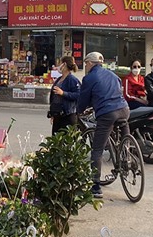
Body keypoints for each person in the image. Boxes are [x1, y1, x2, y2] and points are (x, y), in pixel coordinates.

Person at [77, 51, 129, 199]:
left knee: (97, 149)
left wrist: (80, 111)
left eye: (86, 63)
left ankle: (96, 187)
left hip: (107, 113)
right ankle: (127, 156)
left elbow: (84, 98)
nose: (85, 66)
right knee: (125, 131)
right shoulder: (113, 75)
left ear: (89, 63)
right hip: (124, 109)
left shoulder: (89, 78)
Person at [48, 55, 82, 134]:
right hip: (58, 115)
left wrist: (63, 93)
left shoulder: (72, 80)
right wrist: (53, 113)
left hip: (68, 115)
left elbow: (78, 95)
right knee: (56, 141)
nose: (58, 66)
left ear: (64, 64)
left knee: (66, 141)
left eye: (60, 63)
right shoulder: (59, 79)